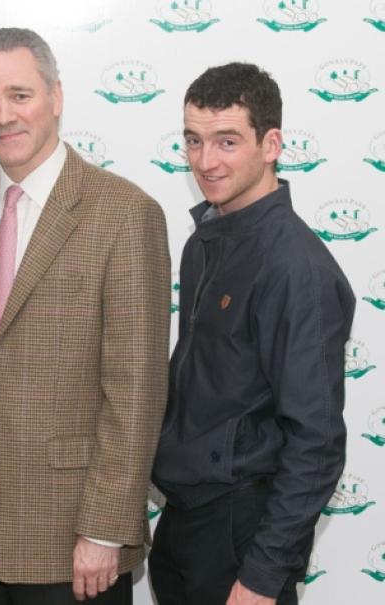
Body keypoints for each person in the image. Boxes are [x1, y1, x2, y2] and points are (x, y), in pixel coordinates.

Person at [0, 27, 171, 604]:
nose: (3, 116)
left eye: (20, 95)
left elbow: (136, 390)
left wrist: (106, 528)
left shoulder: (125, 212)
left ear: (56, 97)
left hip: (73, 543)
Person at [150, 62, 355, 605]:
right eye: (193, 141)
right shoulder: (204, 243)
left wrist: (264, 574)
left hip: (243, 530)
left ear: (271, 144)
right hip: (183, 520)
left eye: (227, 141)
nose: (205, 161)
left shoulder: (296, 268)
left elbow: (317, 441)